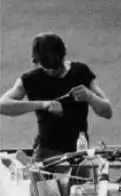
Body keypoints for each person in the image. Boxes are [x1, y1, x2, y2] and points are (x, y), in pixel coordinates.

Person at [0, 33, 113, 161]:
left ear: (63, 56)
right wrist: (42, 104)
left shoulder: (81, 72)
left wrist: (90, 97)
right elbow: (3, 105)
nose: (52, 71)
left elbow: (107, 111)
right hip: (46, 153)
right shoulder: (31, 79)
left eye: (56, 68)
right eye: (47, 68)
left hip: (79, 151)